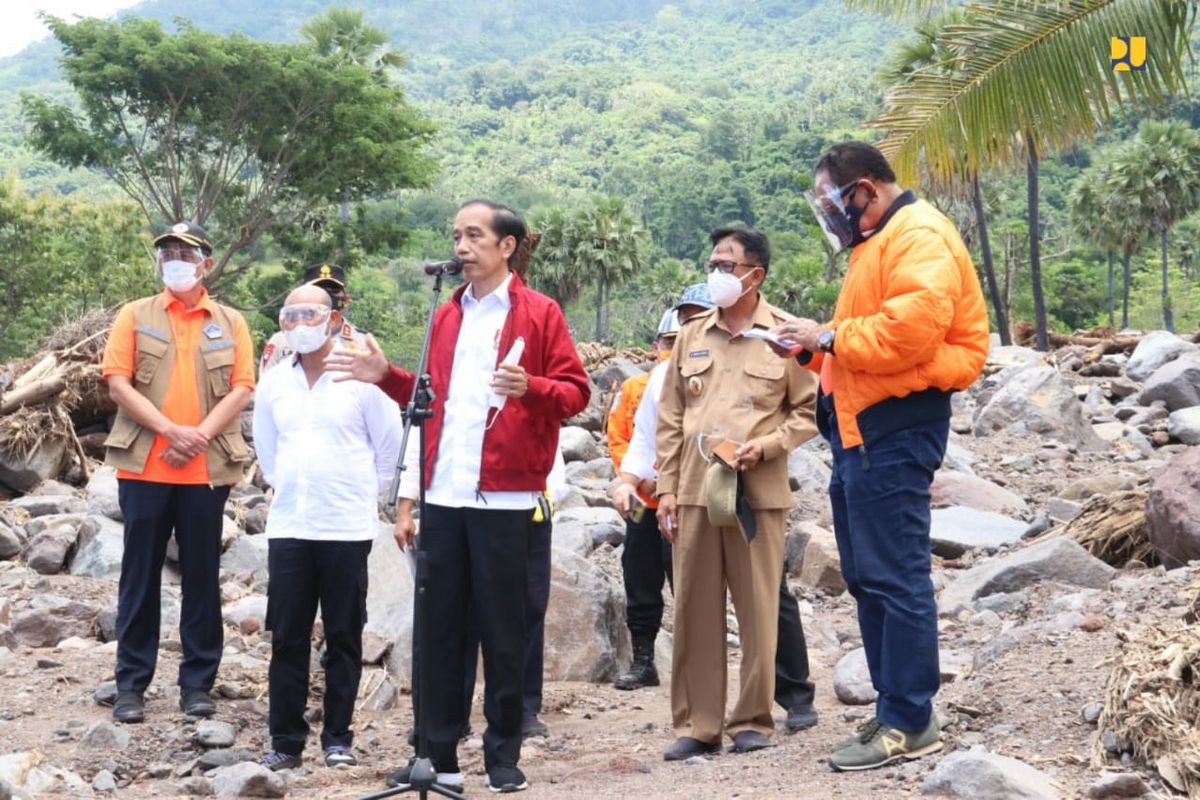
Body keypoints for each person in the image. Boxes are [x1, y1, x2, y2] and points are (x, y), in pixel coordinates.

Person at [326, 199, 590, 794]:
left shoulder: (539, 313)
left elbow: (576, 393)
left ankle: (502, 754)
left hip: (505, 498)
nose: (462, 246)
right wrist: (383, 375)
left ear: (507, 246)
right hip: (444, 495)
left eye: (475, 235)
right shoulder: (445, 316)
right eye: (456, 236)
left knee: (503, 629)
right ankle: (436, 752)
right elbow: (426, 396)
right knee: (439, 628)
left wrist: (533, 386)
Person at [769, 141, 989, 771]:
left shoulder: (919, 234)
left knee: (896, 578)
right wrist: (811, 350)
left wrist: (829, 335)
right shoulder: (878, 243)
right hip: (860, 431)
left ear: (864, 188)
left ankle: (911, 719)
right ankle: (896, 706)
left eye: (831, 200)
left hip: (896, 428)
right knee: (869, 578)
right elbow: (867, 346)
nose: (829, 214)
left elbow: (909, 332)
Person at [616, 283, 820, 733]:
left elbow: (809, 408)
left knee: (765, 602)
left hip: (756, 488)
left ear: (755, 276)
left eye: (729, 267)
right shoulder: (684, 348)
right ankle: (698, 725)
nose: (718, 277)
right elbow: (660, 424)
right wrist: (656, 486)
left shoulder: (780, 333)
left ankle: (772, 706)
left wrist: (765, 447)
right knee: (693, 605)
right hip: (692, 488)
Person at [100, 221, 255, 723]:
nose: (175, 260)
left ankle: (197, 684)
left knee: (203, 577)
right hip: (145, 466)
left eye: (185, 253)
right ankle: (131, 685)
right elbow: (118, 383)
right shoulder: (135, 314)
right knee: (139, 576)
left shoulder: (230, 322)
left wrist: (199, 436)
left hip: (206, 470)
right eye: (168, 252)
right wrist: (171, 430)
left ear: (205, 263)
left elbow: (242, 387)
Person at [252, 284, 402, 771]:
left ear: (335, 320)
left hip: (345, 527)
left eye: (310, 314)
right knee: (288, 636)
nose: (300, 323)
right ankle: (286, 741)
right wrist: (296, 488)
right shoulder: (275, 382)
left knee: (344, 634)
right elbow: (269, 453)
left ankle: (338, 736)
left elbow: (389, 447)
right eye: (290, 315)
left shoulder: (361, 377)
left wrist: (362, 495)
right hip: (292, 525)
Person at [605, 307, 683, 691]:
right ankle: (643, 661)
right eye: (669, 342)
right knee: (638, 575)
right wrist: (640, 480)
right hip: (639, 501)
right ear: (655, 347)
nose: (673, 350)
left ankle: (693, 662)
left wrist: (665, 479)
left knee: (686, 580)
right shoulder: (634, 389)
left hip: (682, 501)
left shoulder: (692, 384)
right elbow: (619, 438)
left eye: (680, 342)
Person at [260, 263, 367, 372]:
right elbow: (267, 384)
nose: (326, 295)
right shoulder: (281, 341)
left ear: (346, 300)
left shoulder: (363, 342)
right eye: (318, 289)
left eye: (333, 289)